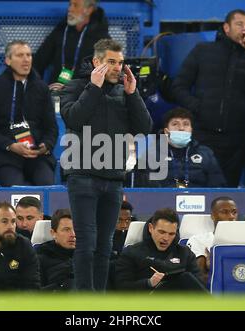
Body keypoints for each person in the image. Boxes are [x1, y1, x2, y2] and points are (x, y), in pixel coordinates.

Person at [60, 38, 153, 290]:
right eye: (111, 62)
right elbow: (74, 118)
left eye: (120, 62)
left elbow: (144, 128)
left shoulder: (125, 92)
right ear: (96, 62)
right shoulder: (75, 86)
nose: (117, 67)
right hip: (82, 177)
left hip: (113, 180)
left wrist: (134, 95)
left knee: (104, 248)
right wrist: (93, 87)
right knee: (87, 245)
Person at [172, 9, 245, 187]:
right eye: (239, 24)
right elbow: (178, 87)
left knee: (227, 192)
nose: (244, 29)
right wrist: (198, 107)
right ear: (226, 27)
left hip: (235, 139)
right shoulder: (203, 50)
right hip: (203, 134)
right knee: (197, 186)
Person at [0, 40, 58, 187]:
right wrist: (10, 145)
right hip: (6, 155)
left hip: (37, 156)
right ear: (8, 60)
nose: (26, 59)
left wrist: (45, 146)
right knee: (18, 189)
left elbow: (52, 128)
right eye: (20, 55)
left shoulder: (41, 88)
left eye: (28, 55)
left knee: (47, 187)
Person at [115, 208, 205, 292]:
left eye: (171, 234)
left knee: (186, 278)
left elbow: (199, 285)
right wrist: (148, 283)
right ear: (151, 228)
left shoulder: (185, 253)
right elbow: (121, 287)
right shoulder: (132, 252)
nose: (166, 238)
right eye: (162, 232)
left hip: (181, 303)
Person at [133, 107, 226, 188]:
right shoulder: (150, 153)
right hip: (161, 202)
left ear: (191, 130)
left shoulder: (205, 153)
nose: (181, 128)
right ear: (166, 131)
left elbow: (217, 185)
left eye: (186, 124)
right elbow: (144, 186)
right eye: (175, 124)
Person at [33, 0, 110, 90]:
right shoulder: (61, 31)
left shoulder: (101, 38)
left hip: (83, 94)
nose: (70, 9)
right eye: (70, 5)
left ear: (89, 10)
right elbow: (39, 61)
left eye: (75, 5)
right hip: (56, 91)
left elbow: (107, 73)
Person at [186, 196, 238, 284]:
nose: (231, 217)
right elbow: (198, 279)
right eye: (224, 212)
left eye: (234, 212)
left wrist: (215, 266)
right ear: (213, 216)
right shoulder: (199, 241)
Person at [35, 208, 76, 291]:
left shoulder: (91, 256)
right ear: (53, 233)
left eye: (76, 229)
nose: (73, 234)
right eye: (66, 230)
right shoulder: (40, 259)